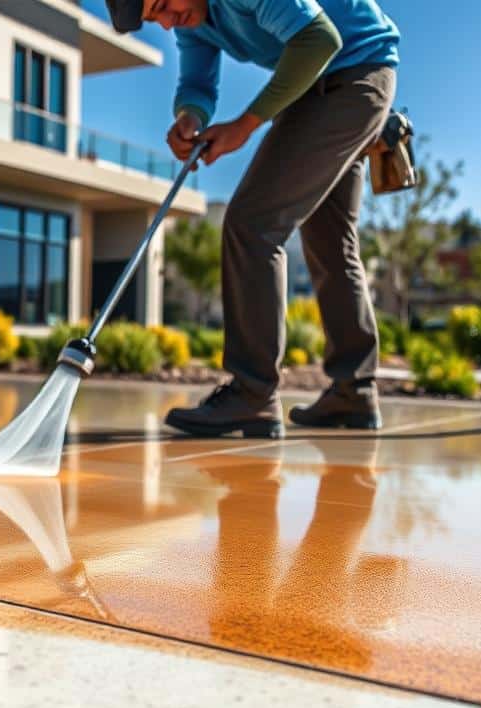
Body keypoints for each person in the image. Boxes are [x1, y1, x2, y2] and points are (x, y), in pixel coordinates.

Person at [103, 0, 400, 438]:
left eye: (164, 5)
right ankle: (352, 390)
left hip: (355, 73)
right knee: (330, 240)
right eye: (155, 18)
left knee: (253, 224)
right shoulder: (193, 17)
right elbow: (198, 81)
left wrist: (244, 125)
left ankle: (252, 393)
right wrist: (190, 116)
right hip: (320, 83)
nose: (167, 22)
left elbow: (320, 39)